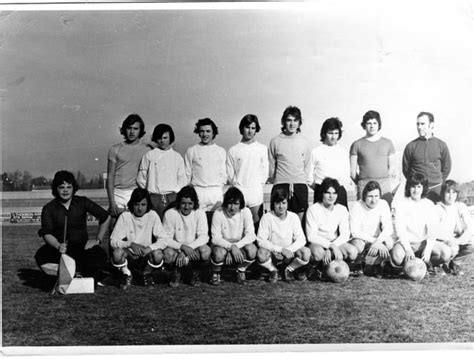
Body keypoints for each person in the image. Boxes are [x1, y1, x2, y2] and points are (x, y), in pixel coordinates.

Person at [35, 170, 110, 285]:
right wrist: (58, 245)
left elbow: (105, 217)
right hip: (61, 250)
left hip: (82, 248)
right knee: (41, 256)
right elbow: (46, 233)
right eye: (61, 187)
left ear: (73, 188)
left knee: (99, 255)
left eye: (69, 187)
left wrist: (97, 239)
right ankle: (71, 274)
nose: (65, 190)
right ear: (56, 189)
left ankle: (82, 274)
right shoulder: (49, 208)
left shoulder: (82, 202)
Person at [391, 174, 452, 275]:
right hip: (407, 242)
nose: (416, 190)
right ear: (408, 187)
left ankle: (428, 265)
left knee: (445, 253)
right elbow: (400, 231)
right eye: (413, 186)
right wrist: (407, 249)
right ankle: (406, 267)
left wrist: (428, 250)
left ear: (423, 188)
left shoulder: (428, 204)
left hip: (423, 242)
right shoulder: (401, 205)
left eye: (419, 186)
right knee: (397, 256)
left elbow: (432, 231)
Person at [110, 188, 166, 289]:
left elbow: (163, 239)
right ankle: (127, 274)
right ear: (132, 204)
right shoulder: (125, 216)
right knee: (117, 254)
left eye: (143, 205)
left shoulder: (152, 215)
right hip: (130, 255)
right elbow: (113, 241)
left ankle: (147, 274)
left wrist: (150, 248)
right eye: (136, 204)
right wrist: (130, 244)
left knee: (158, 254)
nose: (140, 208)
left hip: (146, 255)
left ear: (148, 204)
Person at [305, 177, 357, 278]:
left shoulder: (341, 209)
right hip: (318, 243)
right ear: (322, 193)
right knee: (318, 253)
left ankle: (334, 266)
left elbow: (345, 234)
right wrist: (331, 246)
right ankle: (315, 267)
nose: (331, 196)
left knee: (352, 252)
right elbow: (311, 236)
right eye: (328, 193)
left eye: (334, 193)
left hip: (334, 243)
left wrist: (332, 247)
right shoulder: (313, 209)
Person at [256, 187, 310, 283]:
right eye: (278, 203)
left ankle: (289, 270)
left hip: (289, 254)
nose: (281, 206)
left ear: (287, 204)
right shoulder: (267, 217)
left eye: (284, 203)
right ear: (273, 204)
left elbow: (301, 239)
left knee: (306, 252)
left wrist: (288, 250)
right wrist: (280, 250)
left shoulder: (293, 217)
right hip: (273, 254)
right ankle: (273, 270)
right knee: (261, 253)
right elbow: (261, 240)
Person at [161, 186, 211, 287]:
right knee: (167, 253)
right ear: (179, 202)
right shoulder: (170, 213)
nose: (186, 207)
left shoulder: (200, 213)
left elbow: (204, 237)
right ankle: (176, 272)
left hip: (193, 250)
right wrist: (182, 248)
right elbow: (165, 238)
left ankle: (195, 272)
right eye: (183, 203)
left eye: (190, 204)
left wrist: (188, 249)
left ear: (194, 203)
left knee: (205, 251)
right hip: (177, 250)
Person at [107, 114, 151, 225]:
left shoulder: (148, 149)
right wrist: (112, 202)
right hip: (118, 193)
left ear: (140, 130)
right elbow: (110, 176)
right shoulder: (115, 149)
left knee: (136, 228)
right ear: (124, 129)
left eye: (135, 129)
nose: (132, 132)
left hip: (136, 192)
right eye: (129, 128)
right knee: (114, 227)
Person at [268, 106, 311, 221]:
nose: (292, 124)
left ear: (299, 122)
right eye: (289, 120)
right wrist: (279, 180)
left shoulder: (305, 142)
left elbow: (307, 165)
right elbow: (271, 166)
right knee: (279, 222)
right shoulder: (275, 141)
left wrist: (300, 180)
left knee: (300, 224)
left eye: (295, 120)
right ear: (284, 121)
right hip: (280, 185)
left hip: (300, 186)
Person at [137, 124, 186, 220]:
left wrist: (174, 194)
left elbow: (182, 180)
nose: (162, 141)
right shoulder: (149, 155)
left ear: (170, 138)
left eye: (165, 138)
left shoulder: (177, 157)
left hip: (172, 198)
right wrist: (150, 193)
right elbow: (141, 178)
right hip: (154, 198)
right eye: (159, 138)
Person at [227, 114, 269, 228]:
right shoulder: (233, 150)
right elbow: (230, 173)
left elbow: (265, 171)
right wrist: (237, 186)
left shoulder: (262, 149)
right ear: (242, 128)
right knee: (239, 225)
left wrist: (258, 185)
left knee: (256, 224)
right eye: (247, 127)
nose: (250, 131)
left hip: (255, 192)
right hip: (240, 191)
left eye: (253, 128)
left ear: (256, 130)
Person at [210, 187, 257, 285]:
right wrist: (230, 247)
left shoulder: (246, 211)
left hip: (239, 245)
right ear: (225, 203)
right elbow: (215, 238)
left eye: (236, 204)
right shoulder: (218, 213)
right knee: (218, 254)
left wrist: (235, 247)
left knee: (252, 250)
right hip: (222, 245)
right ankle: (216, 273)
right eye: (230, 203)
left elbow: (251, 235)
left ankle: (240, 270)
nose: (232, 207)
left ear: (240, 204)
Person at [402, 111, 451, 203]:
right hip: (416, 192)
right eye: (418, 124)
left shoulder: (441, 145)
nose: (419, 127)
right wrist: (416, 183)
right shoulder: (410, 146)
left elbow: (446, 168)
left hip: (436, 190)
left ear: (431, 125)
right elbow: (406, 170)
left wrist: (437, 182)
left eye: (423, 124)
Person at [350, 110, 396, 205]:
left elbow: (392, 167)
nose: (372, 126)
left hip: (384, 186)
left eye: (375, 123)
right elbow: (352, 172)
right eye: (369, 123)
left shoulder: (388, 143)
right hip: (364, 185)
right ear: (364, 125)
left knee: (385, 215)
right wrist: (362, 182)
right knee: (363, 214)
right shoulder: (356, 144)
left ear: (379, 124)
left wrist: (384, 179)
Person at [349, 181, 394, 276]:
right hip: (361, 239)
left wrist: (378, 241)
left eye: (376, 196)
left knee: (389, 242)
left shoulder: (383, 204)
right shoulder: (357, 206)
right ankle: (358, 264)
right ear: (364, 196)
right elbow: (355, 232)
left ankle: (377, 264)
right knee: (358, 244)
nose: (373, 200)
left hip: (376, 239)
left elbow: (388, 228)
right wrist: (375, 241)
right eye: (370, 196)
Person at [184, 118, 227, 212]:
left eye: (208, 131)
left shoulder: (221, 151)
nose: (205, 134)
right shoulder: (191, 150)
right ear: (198, 133)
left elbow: (223, 174)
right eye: (202, 131)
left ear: (213, 132)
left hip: (216, 192)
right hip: (198, 191)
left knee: (215, 221)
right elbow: (187, 174)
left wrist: (218, 188)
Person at [308, 117, 351, 208]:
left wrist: (341, 188)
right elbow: (309, 175)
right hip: (321, 191)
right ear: (324, 133)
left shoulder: (343, 152)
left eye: (336, 133)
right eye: (330, 133)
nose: (333, 136)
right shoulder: (316, 151)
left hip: (339, 191)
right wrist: (319, 189)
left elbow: (346, 174)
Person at [435, 180, 473, 275]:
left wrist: (459, 240)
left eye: (454, 192)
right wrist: (450, 240)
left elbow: (470, 227)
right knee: (452, 249)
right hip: (441, 241)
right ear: (443, 193)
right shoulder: (438, 208)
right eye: (448, 192)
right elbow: (435, 231)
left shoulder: (460, 206)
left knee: (472, 244)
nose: (451, 196)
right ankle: (438, 264)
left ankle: (455, 263)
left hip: (456, 240)